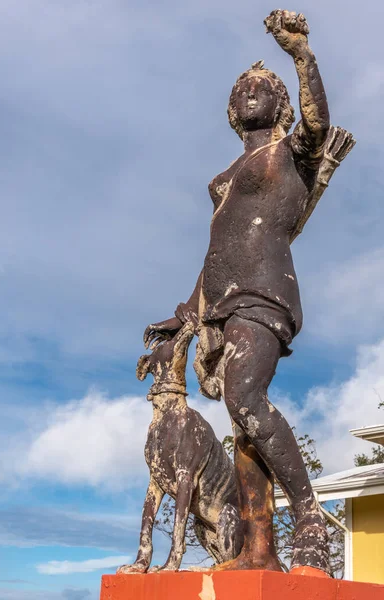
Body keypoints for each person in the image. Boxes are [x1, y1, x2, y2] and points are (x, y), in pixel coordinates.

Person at [144, 10, 330, 575]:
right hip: (221, 303)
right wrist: (183, 320)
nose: (252, 91)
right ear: (231, 110)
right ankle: (258, 549)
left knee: (246, 399)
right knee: (241, 424)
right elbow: (213, 255)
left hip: (264, 290)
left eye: (263, 87)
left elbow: (319, 127)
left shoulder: (289, 152)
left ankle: (308, 518)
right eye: (243, 88)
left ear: (281, 105)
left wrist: (300, 56)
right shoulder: (225, 180)